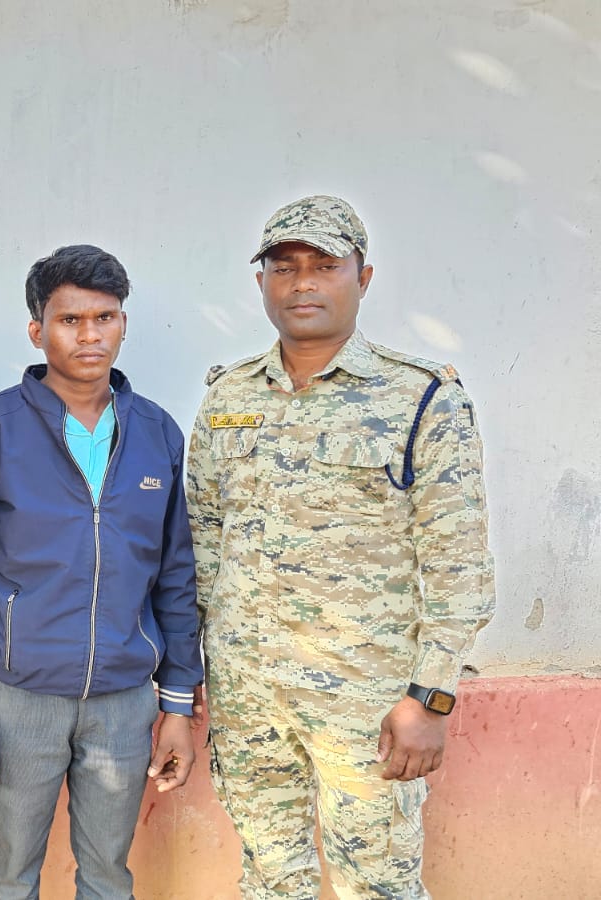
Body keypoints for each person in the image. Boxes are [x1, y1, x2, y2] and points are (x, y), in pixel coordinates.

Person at [187, 195, 496, 898]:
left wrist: (431, 698)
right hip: (248, 695)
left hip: (368, 699)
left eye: (325, 266)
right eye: (284, 267)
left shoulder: (421, 398)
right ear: (261, 282)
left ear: (364, 278)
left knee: (377, 881)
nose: (303, 283)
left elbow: (459, 564)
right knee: (270, 878)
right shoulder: (228, 396)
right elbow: (202, 541)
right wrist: (197, 668)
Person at [0, 244, 203, 900]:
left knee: (108, 876)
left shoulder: (157, 433)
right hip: (19, 698)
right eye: (70, 320)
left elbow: (175, 576)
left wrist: (176, 705)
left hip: (123, 701)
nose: (89, 335)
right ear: (38, 330)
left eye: (104, 318)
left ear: (123, 325)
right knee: (11, 876)